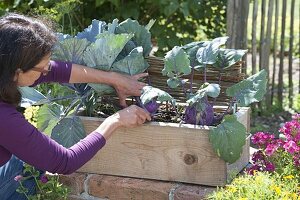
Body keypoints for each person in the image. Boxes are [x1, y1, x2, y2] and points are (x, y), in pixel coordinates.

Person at [0, 13, 151, 199]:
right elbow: (64, 162)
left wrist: (114, 79)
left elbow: (55, 70)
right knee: (30, 165)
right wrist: (116, 120)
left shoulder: (5, 67)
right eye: (43, 67)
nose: (48, 70)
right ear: (17, 71)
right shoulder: (3, 118)